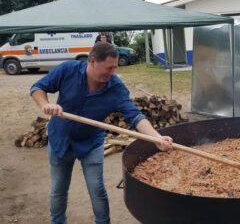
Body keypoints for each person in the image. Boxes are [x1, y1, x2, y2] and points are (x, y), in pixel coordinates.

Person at [30, 42, 173, 224]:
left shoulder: (115, 87)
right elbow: (37, 88)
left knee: (96, 189)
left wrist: (156, 137)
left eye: (115, 67)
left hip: (91, 143)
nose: (112, 72)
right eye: (109, 67)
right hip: (61, 140)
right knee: (58, 189)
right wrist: (45, 105)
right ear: (92, 61)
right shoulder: (68, 70)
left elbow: (135, 115)